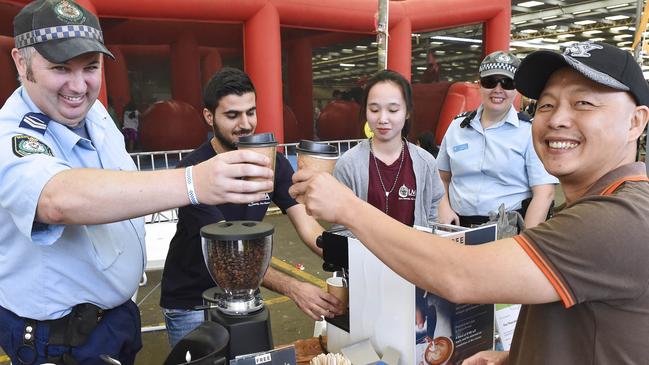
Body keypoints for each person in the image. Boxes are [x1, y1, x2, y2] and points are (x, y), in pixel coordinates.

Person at [290, 41, 649, 364]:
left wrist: (347, 208)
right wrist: (517, 356)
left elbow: (458, 275)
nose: (557, 118)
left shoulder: (620, 218)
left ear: (636, 122)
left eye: (583, 103)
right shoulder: (594, 203)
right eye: (547, 104)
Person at [0, 1, 273, 364]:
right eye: (60, 68)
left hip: (114, 320)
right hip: (59, 338)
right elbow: (56, 199)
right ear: (21, 62)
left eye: (91, 67)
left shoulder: (90, 110)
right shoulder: (12, 135)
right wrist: (193, 181)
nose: (78, 85)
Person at [160, 67, 344, 347]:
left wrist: (353, 262)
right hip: (192, 301)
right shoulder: (192, 171)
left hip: (244, 297)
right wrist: (294, 288)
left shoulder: (272, 163)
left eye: (250, 112)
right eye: (232, 115)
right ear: (209, 116)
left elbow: (310, 229)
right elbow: (231, 257)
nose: (245, 124)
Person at [333, 69, 448, 346]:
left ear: (407, 112)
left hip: (413, 277)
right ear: (365, 112)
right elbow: (339, 228)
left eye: (393, 109)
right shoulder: (349, 164)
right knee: (366, 350)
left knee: (409, 345)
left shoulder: (424, 163)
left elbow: (431, 218)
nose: (383, 119)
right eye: (374, 109)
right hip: (364, 281)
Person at [437, 51, 557, 230]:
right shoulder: (457, 127)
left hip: (507, 231)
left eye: (507, 83)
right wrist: (443, 207)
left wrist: (526, 242)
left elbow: (544, 193)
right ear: (479, 85)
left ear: (516, 89)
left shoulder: (529, 131)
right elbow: (441, 177)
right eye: (490, 82)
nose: (498, 90)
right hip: (457, 227)